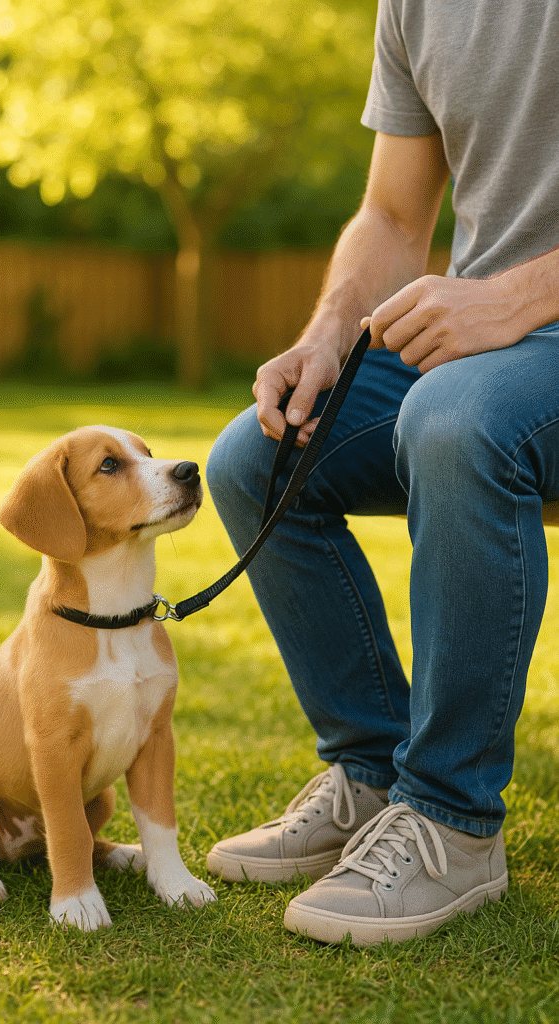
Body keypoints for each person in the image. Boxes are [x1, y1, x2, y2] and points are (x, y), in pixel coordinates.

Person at [204, 0, 559, 946]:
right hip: (484, 347)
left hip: (506, 347)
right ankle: (372, 773)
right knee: (258, 454)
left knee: (454, 421)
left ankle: (452, 819)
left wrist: (514, 296)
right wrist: (324, 337)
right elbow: (393, 213)